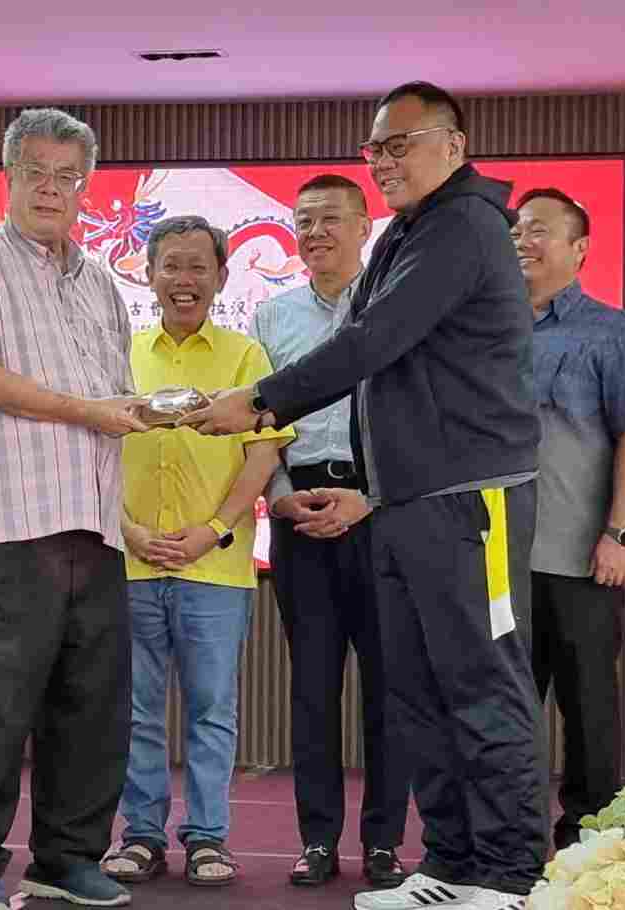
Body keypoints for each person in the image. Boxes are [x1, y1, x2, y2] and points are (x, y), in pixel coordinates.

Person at [183, 80, 547, 910]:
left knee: (482, 684)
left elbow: (372, 339)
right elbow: (362, 341)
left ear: (453, 145)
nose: (384, 161)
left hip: (470, 495)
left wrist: (262, 401)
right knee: (419, 689)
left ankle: (509, 871)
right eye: (375, 147)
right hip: (408, 499)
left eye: (401, 144)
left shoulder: (462, 225)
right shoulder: (412, 230)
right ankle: (451, 865)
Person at [0, 108, 149, 910]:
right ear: (9, 177)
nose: (52, 189)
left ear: (85, 188)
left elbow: (115, 401)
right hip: (11, 525)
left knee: (91, 708)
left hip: (94, 523)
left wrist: (138, 419)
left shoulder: (102, 282)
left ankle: (65, 858)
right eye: (38, 172)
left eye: (68, 177)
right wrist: (89, 411)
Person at [101, 215, 292, 888]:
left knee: (212, 708)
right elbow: (89, 447)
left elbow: (265, 451)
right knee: (135, 710)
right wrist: (123, 527)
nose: (184, 280)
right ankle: (142, 836)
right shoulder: (115, 350)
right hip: (127, 560)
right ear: (148, 275)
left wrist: (214, 527)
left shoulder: (245, 357)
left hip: (215, 564)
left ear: (220, 277)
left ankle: (209, 837)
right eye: (171, 266)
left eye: (197, 268)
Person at [249, 174, 409, 888]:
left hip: (381, 515)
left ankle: (382, 843)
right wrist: (279, 498)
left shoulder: (398, 308)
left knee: (387, 688)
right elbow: (260, 424)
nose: (314, 233)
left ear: (365, 223)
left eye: (330, 220)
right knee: (311, 690)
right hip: (299, 515)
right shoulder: (273, 316)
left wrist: (371, 498)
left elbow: (416, 420)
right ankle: (317, 840)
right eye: (303, 221)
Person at [512, 187, 625, 849]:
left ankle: (593, 838)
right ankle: (511, 832)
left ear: (579, 249)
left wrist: (620, 532)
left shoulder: (611, 328)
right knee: (508, 706)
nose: (524, 240)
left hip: (580, 552)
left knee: (589, 703)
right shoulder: (486, 325)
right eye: (517, 229)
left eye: (540, 230)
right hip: (498, 557)